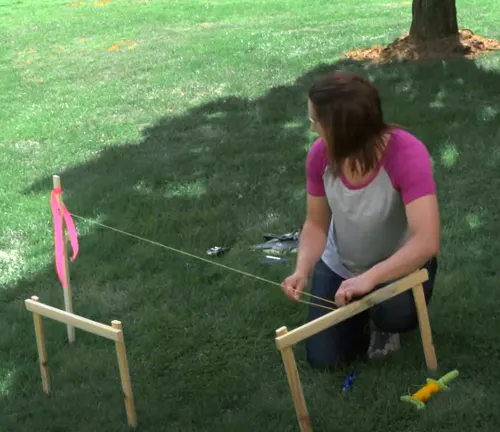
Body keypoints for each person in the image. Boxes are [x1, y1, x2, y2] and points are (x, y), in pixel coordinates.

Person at [281, 72, 440, 370]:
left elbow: (427, 241)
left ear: (343, 129)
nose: (313, 129)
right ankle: (359, 311)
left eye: (316, 122)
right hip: (342, 264)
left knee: (396, 314)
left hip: (398, 267)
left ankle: (383, 323)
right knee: (325, 360)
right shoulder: (320, 156)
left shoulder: (406, 153)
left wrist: (369, 279)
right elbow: (316, 224)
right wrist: (302, 269)